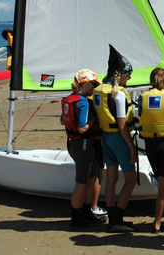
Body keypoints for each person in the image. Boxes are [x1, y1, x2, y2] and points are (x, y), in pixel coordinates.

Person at [93, 45, 138, 233]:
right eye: (128, 76)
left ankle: (111, 220)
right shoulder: (118, 93)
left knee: (111, 179)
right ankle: (118, 218)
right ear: (121, 74)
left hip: (105, 139)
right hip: (119, 140)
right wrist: (132, 148)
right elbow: (121, 125)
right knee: (131, 180)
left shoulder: (99, 89)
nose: (129, 79)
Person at [60, 69, 104, 228]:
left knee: (92, 177)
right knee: (81, 182)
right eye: (93, 84)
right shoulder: (84, 102)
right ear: (85, 84)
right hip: (82, 144)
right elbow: (82, 128)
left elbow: (62, 121)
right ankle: (76, 217)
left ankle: (86, 212)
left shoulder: (69, 99)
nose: (94, 88)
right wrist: (94, 119)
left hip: (72, 144)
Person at [137, 67, 164, 234]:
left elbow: (141, 114)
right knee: (163, 185)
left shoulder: (142, 97)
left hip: (150, 144)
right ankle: (157, 223)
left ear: (151, 82)